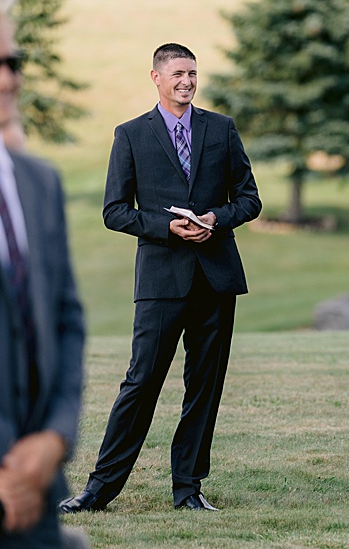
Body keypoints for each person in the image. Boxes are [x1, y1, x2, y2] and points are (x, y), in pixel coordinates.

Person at [61, 43, 261, 513]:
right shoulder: (130, 135)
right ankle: (99, 489)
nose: (187, 81)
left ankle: (188, 489)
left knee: (204, 388)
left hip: (216, 279)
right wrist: (163, 226)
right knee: (141, 381)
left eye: (192, 73)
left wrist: (216, 217)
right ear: (155, 77)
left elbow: (249, 199)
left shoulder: (222, 128)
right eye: (177, 73)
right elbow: (114, 211)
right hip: (160, 281)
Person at [0, 0, 89, 547]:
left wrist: (54, 439)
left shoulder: (39, 183)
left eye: (12, 63)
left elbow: (66, 322)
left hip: (38, 496)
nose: (8, 80)